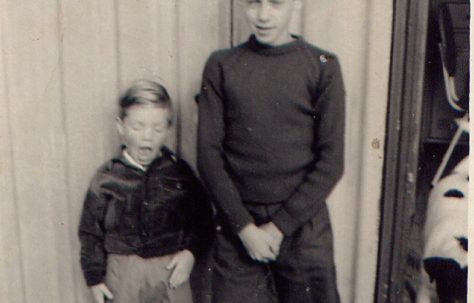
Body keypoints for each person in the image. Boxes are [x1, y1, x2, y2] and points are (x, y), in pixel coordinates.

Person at [197, 0, 345, 302]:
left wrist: (279, 228)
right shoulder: (222, 65)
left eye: (276, 3)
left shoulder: (322, 66)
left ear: (297, 5)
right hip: (238, 225)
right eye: (254, 3)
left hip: (302, 224)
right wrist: (245, 228)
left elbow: (331, 162)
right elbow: (208, 156)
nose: (263, 15)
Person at [79, 80, 214, 303]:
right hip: (123, 273)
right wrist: (94, 279)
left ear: (169, 130)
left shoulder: (180, 173)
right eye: (137, 126)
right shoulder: (106, 179)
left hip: (170, 270)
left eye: (157, 128)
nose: (147, 136)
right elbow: (90, 233)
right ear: (121, 126)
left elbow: (204, 219)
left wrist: (191, 253)